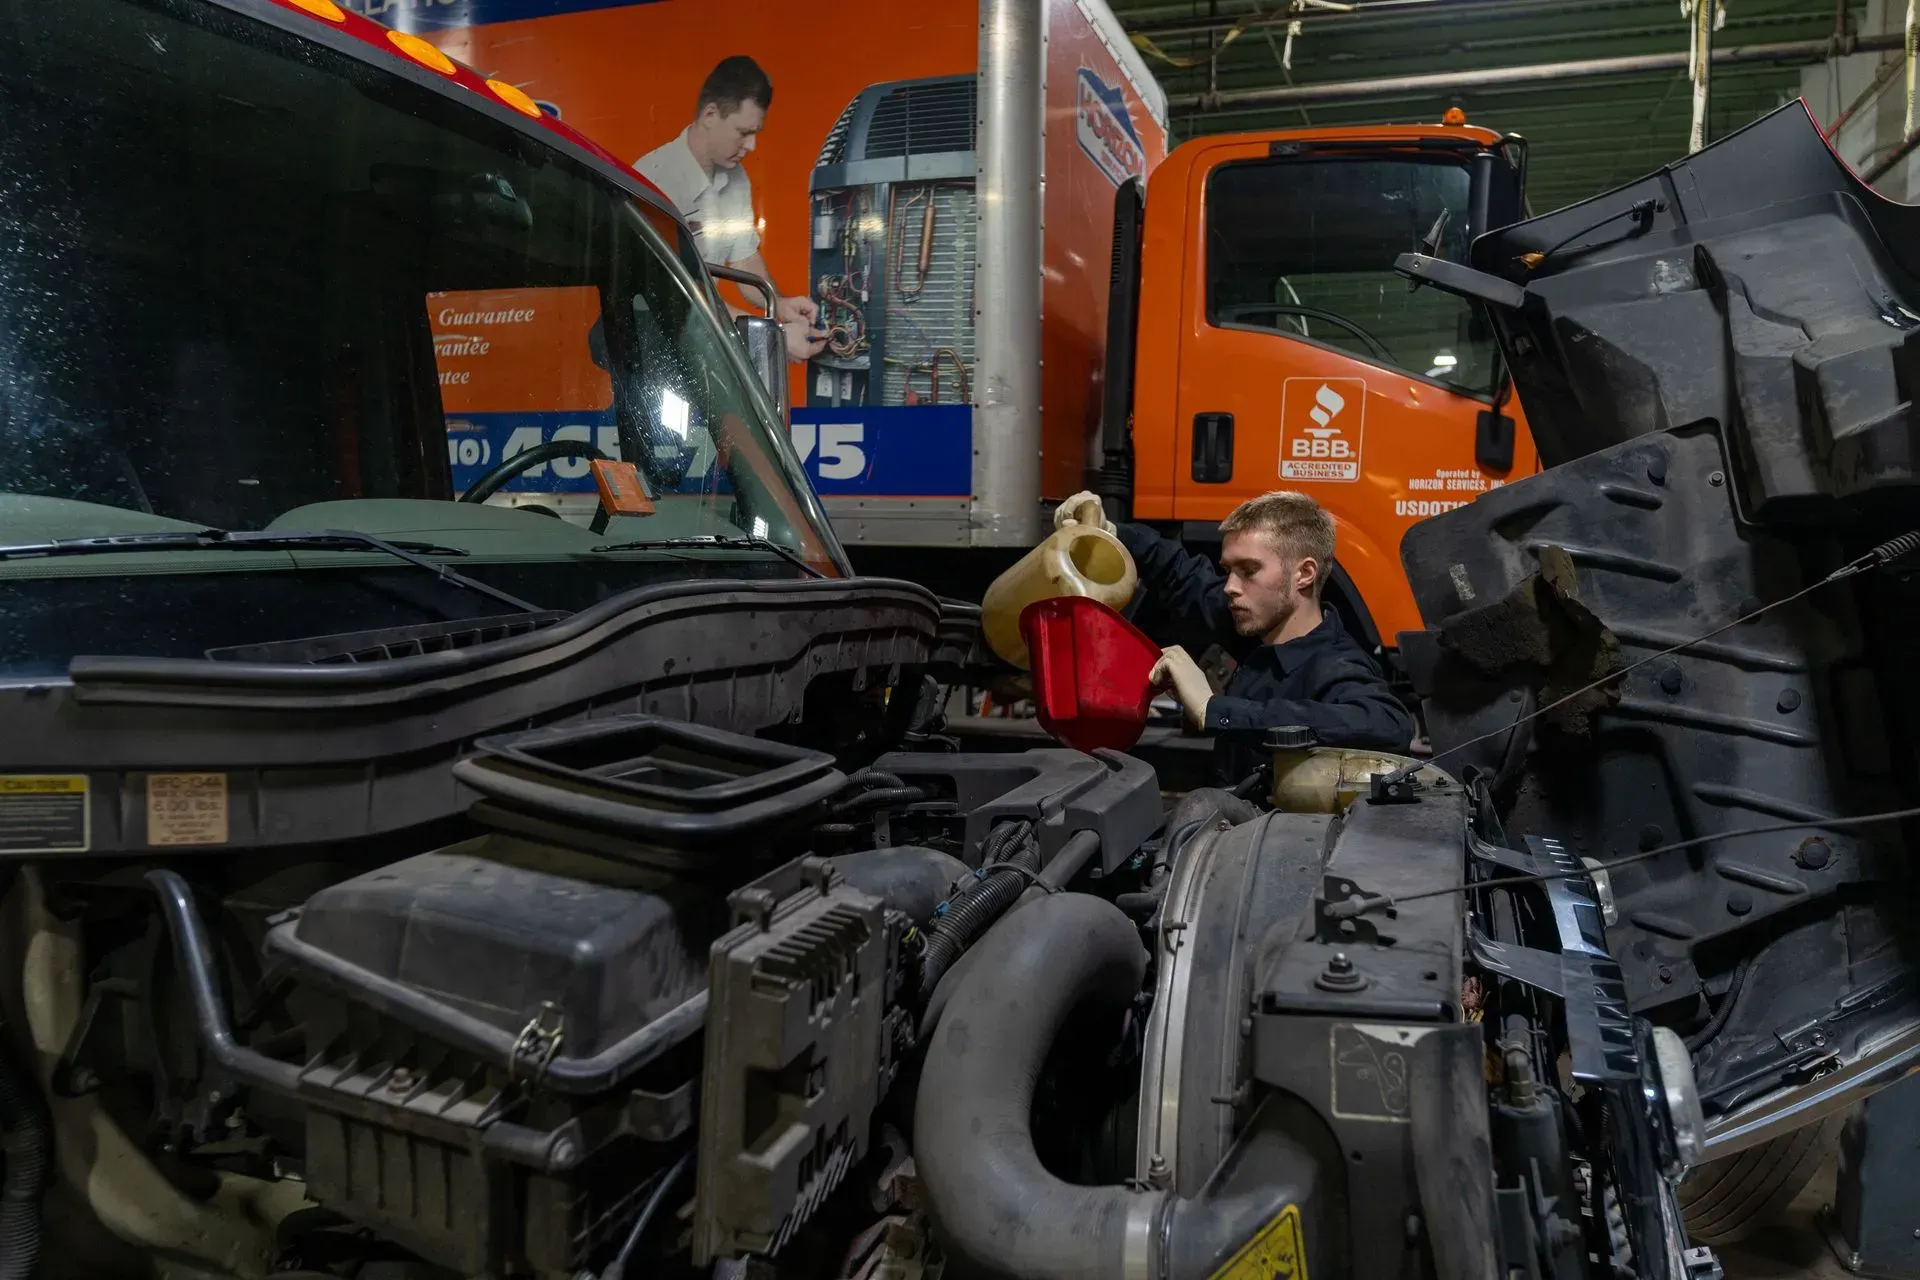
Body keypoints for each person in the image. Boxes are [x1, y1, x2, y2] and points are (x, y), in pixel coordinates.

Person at [1055, 489, 1414, 787]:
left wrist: (1215, 709)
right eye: (1229, 570)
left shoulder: (1335, 663)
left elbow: (1388, 724)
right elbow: (1181, 574)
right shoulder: (1260, 629)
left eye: (1249, 571)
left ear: (1304, 574)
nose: (1230, 587)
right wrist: (1108, 531)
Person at [635, 56, 824, 363]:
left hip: (699, 340)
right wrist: (772, 338)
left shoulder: (735, 179)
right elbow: (676, 297)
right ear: (710, 114)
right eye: (743, 132)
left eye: (755, 134)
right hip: (651, 349)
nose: (751, 146)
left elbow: (743, 259)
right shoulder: (655, 180)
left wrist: (777, 303)